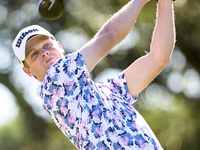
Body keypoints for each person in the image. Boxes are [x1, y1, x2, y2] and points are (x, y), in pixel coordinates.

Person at [12, 0, 176, 149]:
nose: (44, 53)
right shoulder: (56, 81)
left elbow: (159, 58)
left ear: (59, 46)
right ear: (28, 71)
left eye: (47, 45)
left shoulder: (107, 92)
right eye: (33, 54)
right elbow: (111, 34)